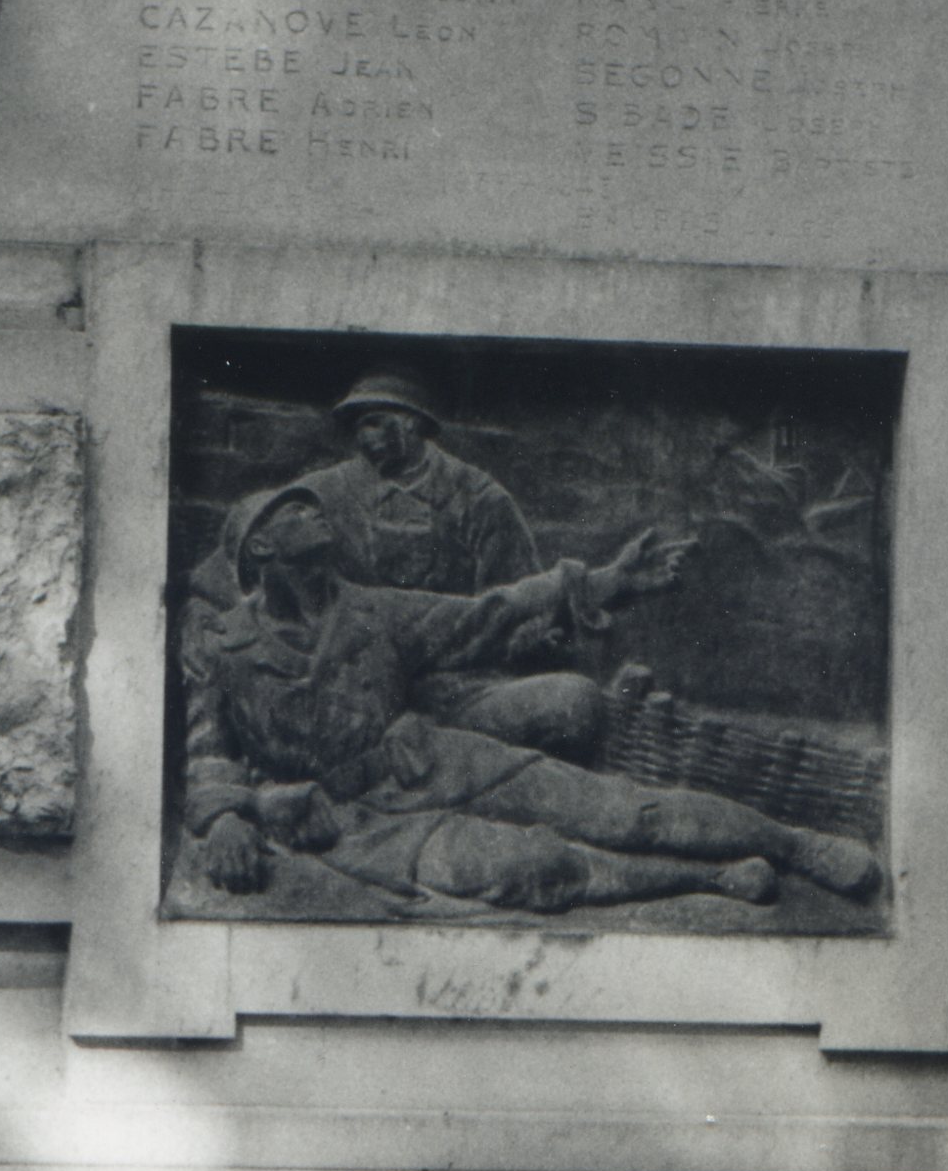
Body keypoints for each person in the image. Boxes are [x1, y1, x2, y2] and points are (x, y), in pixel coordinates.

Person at [178, 489, 882, 915]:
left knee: (623, 810)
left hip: (437, 760)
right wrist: (224, 820)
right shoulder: (221, 645)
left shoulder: (371, 611)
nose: (312, 508)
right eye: (291, 509)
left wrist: (603, 581)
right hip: (358, 823)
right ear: (261, 545)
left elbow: (489, 611)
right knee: (530, 870)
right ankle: (709, 881)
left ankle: (795, 842)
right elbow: (208, 749)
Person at [276, 362, 538, 597]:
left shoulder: (479, 499)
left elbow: (513, 600)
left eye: (373, 423)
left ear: (411, 421)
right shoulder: (325, 492)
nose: (363, 439)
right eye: (357, 428)